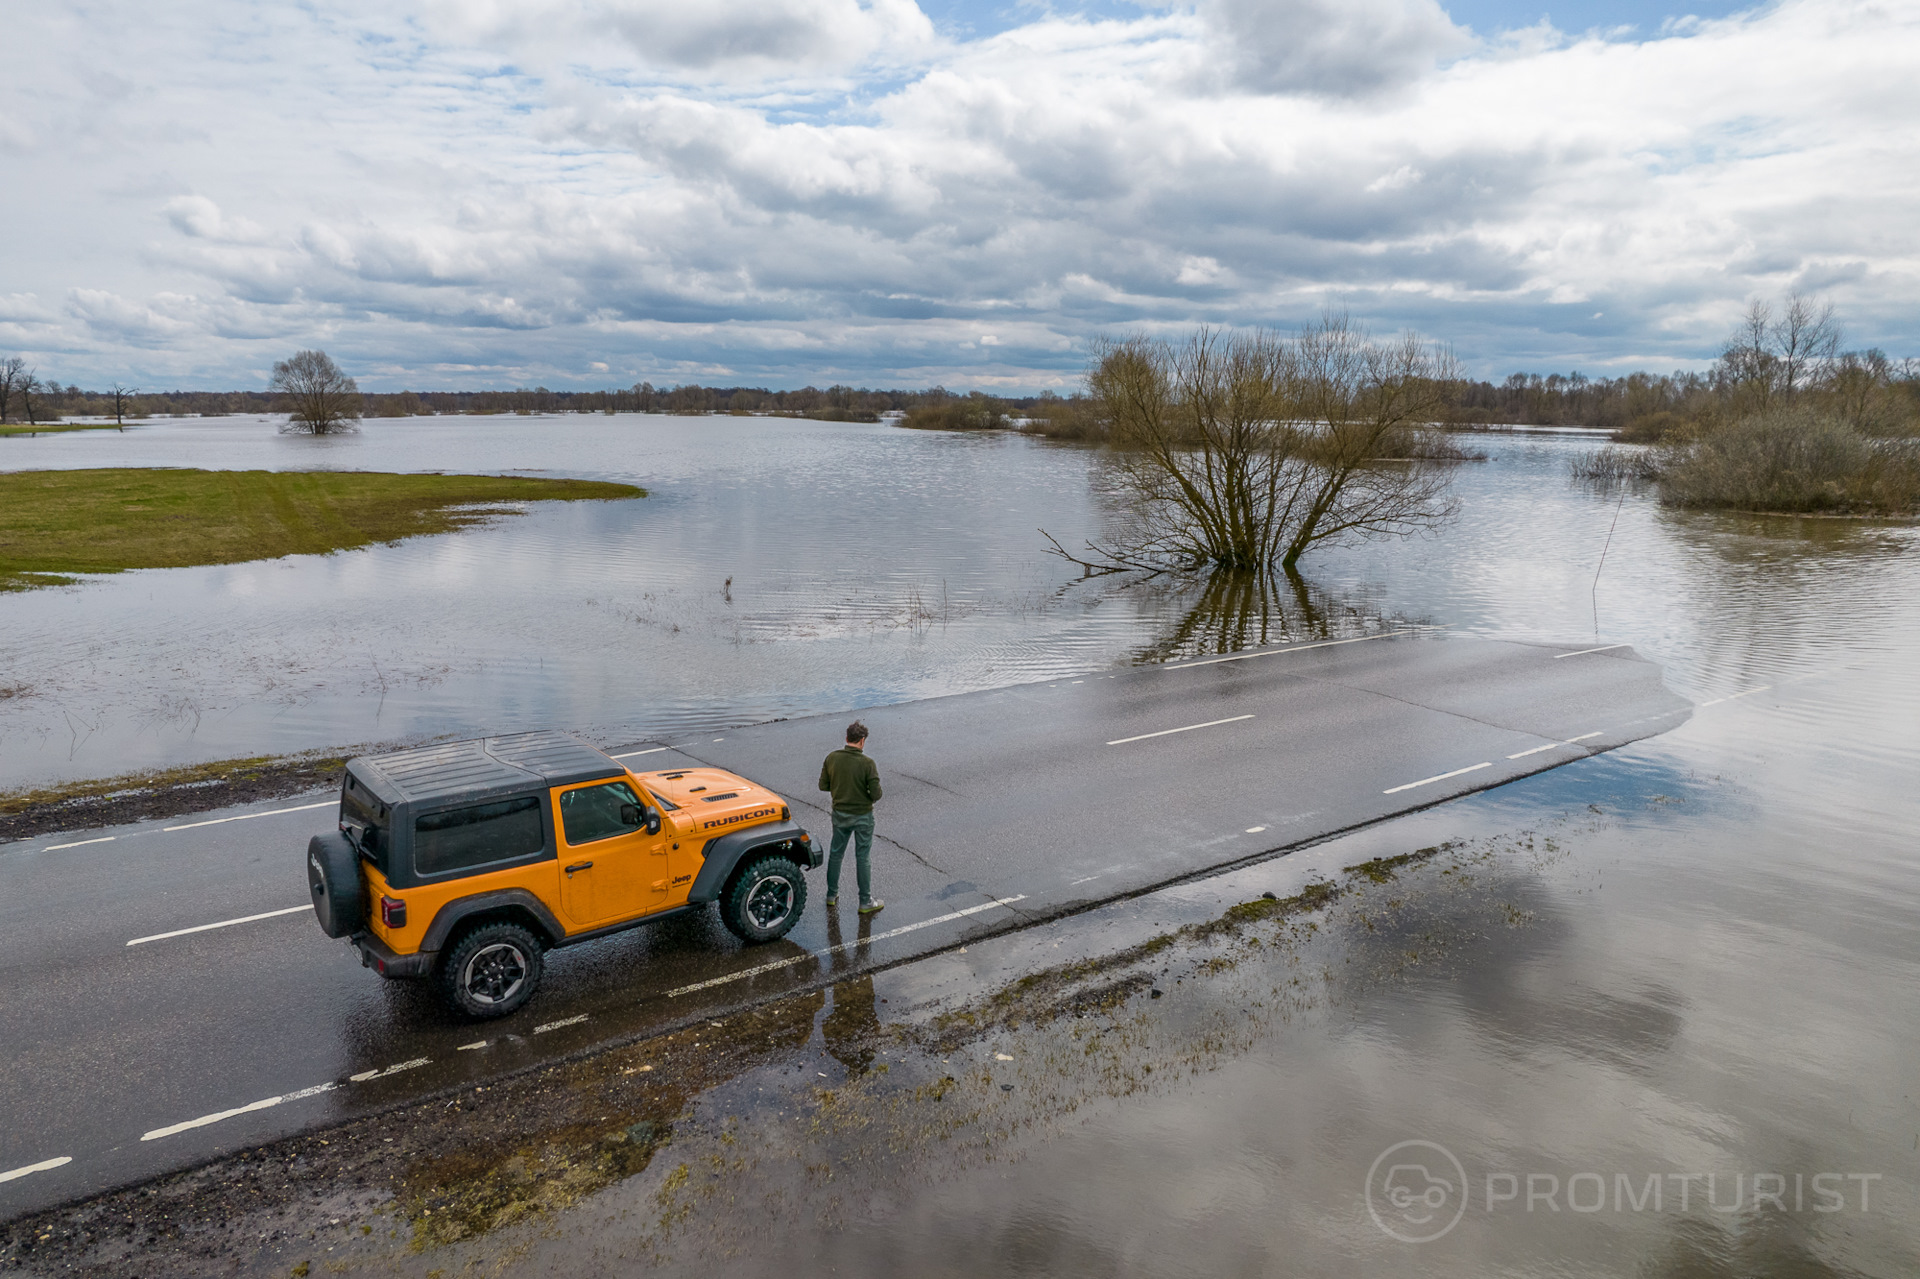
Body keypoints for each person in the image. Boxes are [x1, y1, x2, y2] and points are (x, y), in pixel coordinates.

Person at [818, 720, 884, 914]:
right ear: (862, 741)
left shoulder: (832, 758)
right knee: (862, 857)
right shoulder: (867, 763)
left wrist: (840, 788)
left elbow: (823, 785)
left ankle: (831, 895)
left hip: (840, 814)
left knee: (836, 853)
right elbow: (876, 794)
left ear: (847, 738)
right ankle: (865, 901)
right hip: (863, 816)